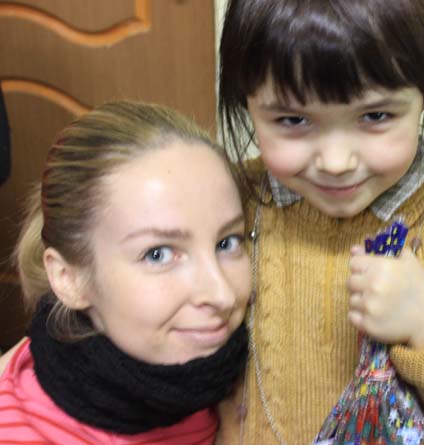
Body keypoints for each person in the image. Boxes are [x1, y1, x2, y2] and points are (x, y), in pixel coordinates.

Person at [215, 1, 424, 444]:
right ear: (246, 102)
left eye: (375, 116)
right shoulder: (224, 204)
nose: (336, 162)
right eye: (293, 120)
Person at [0, 101, 251, 444]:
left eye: (227, 243)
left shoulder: (225, 367)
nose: (222, 295)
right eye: (158, 254)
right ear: (69, 278)